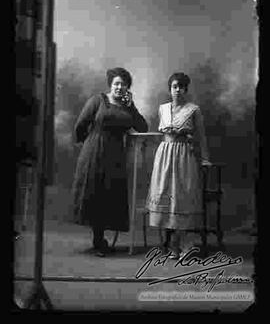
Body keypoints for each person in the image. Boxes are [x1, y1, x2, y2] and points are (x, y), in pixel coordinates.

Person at [72, 67, 148, 257]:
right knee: (95, 193)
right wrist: (87, 144)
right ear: (110, 85)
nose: (119, 87)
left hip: (115, 155)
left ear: (127, 87)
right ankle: (98, 240)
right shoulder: (98, 100)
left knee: (109, 194)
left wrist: (130, 106)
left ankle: (101, 240)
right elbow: (80, 124)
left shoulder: (127, 105)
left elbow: (142, 127)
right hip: (94, 151)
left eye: (123, 84)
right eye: (116, 83)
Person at [146, 72, 211, 259]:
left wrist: (205, 158)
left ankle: (183, 244)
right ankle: (173, 245)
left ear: (186, 90)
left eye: (182, 87)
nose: (178, 90)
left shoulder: (193, 110)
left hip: (184, 155)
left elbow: (201, 137)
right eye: (175, 86)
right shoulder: (163, 109)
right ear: (170, 89)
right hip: (165, 155)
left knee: (182, 197)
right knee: (166, 196)